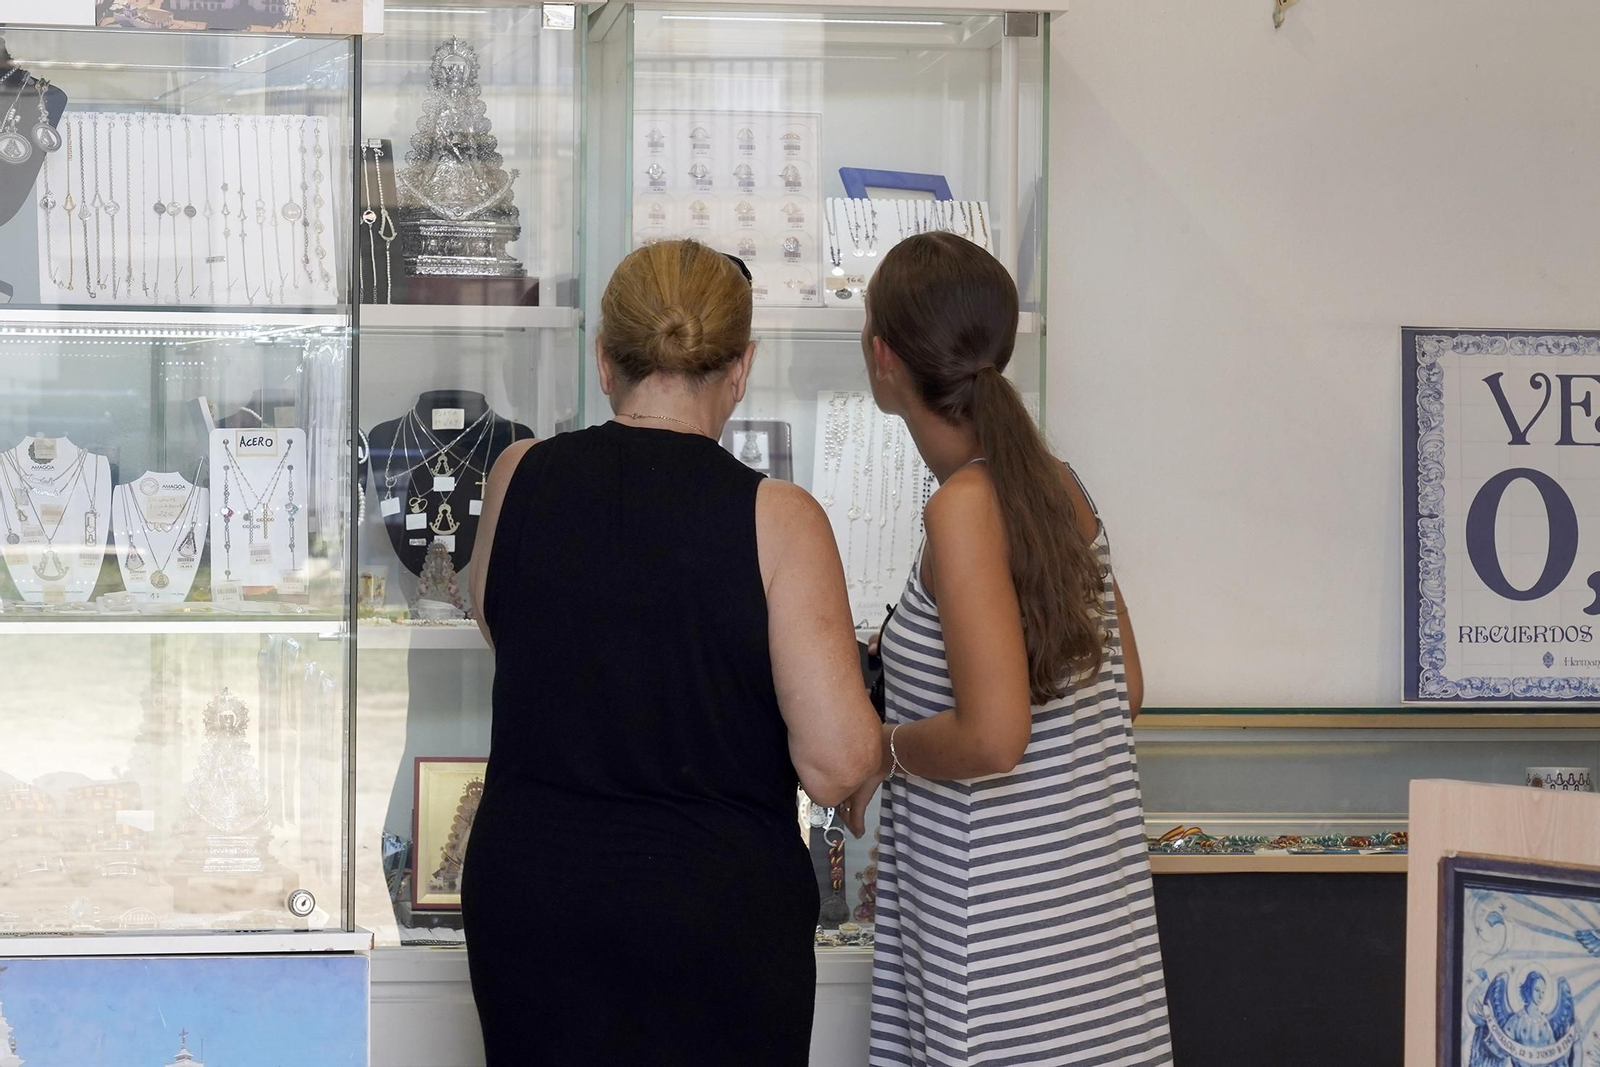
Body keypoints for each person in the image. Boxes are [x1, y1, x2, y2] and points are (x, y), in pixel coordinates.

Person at [462, 240, 881, 1066]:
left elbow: (507, 626)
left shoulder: (518, 475)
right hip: (714, 915)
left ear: (603, 359)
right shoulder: (779, 519)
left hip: (534, 901)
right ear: (742, 366)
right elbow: (836, 763)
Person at [842, 232, 1173, 1066]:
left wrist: (881, 747)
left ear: (884, 358)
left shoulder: (963, 508)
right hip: (1095, 957)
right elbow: (1123, 685)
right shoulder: (1056, 483)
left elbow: (995, 737)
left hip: (995, 963)